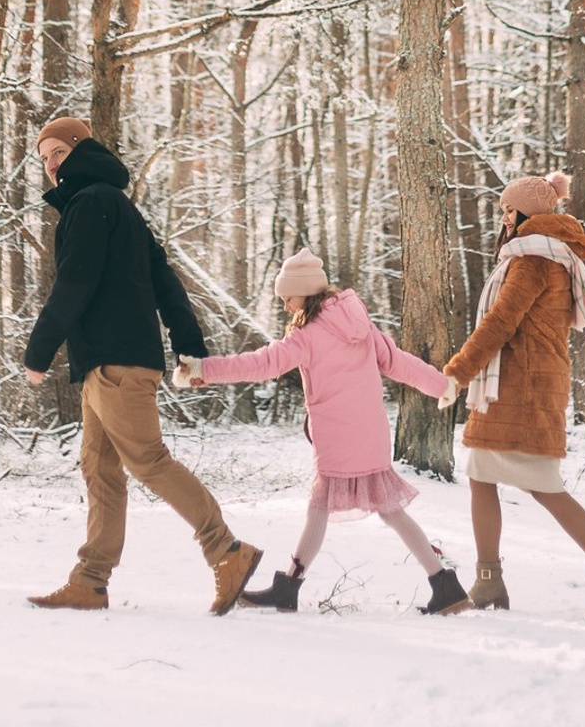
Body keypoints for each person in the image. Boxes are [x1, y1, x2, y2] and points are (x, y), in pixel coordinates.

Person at [21, 115, 263, 615]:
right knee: (101, 469)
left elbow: (76, 282)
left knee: (147, 461)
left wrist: (39, 349)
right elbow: (166, 281)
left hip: (116, 362)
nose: (50, 164)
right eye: (43, 157)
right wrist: (187, 344)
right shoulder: (122, 208)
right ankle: (90, 581)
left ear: (80, 150)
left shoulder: (89, 204)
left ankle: (227, 552)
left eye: (57, 153)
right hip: (107, 364)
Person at [175, 248, 471, 617]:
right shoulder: (360, 323)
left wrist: (205, 369)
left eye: (287, 297)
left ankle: (290, 588)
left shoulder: (308, 335)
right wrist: (441, 384)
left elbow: (262, 363)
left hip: (337, 435)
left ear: (305, 293)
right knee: (381, 509)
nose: (285, 306)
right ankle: (443, 584)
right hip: (369, 432)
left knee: (327, 506)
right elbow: (396, 361)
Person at [439, 171, 585, 616]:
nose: (503, 218)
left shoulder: (532, 259)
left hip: (522, 387)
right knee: (486, 476)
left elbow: (500, 323)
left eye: (506, 210)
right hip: (525, 384)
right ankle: (493, 581)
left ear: (521, 213)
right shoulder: (549, 253)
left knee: (542, 486)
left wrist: (457, 372)